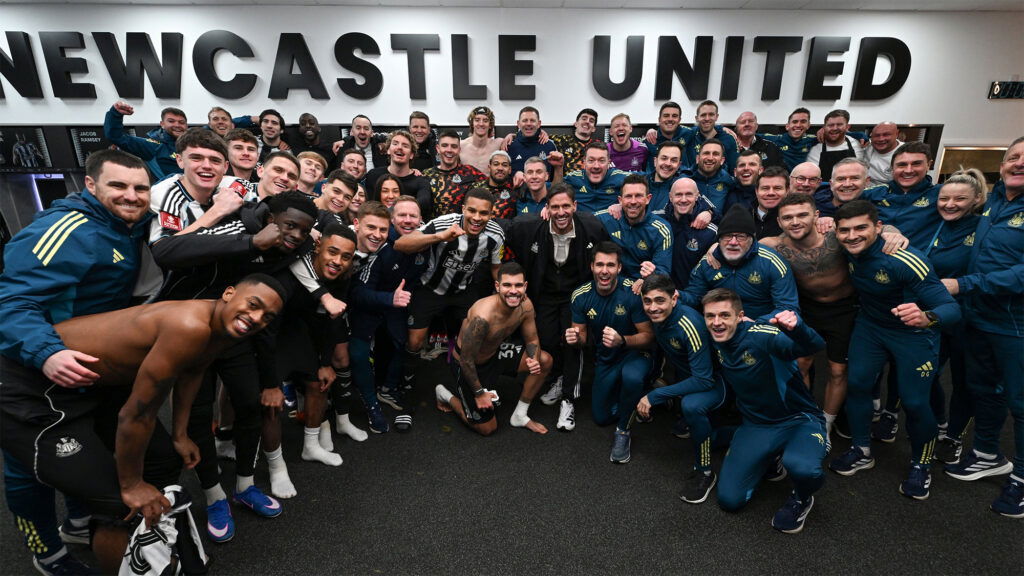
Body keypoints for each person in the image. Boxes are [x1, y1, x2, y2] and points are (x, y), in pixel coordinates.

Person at [0, 275, 285, 571]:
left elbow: (194, 371)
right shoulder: (189, 326)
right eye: (253, 305)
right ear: (228, 293)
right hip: (31, 388)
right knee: (119, 502)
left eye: (267, 317)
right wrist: (132, 484)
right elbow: (136, 415)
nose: (256, 318)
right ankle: (62, 553)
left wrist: (180, 434)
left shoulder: (220, 326)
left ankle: (88, 530)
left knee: (164, 460)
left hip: (87, 389)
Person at [0, 149, 153, 575]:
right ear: (90, 184)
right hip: (29, 371)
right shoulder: (66, 228)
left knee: (86, 455)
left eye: (140, 188)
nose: (131, 195)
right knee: (27, 468)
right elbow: (11, 301)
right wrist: (46, 352)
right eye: (118, 185)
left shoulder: (130, 225)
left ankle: (76, 524)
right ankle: (46, 553)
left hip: (85, 371)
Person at [829, 200, 960, 501]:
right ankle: (861, 450)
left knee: (914, 401)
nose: (852, 236)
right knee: (858, 385)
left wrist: (927, 317)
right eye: (844, 230)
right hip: (871, 327)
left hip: (913, 334)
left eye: (861, 228)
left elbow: (951, 308)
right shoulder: (846, 249)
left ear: (877, 227)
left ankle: (921, 464)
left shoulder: (904, 259)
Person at [942, 137, 1024, 518]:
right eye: (1014, 157)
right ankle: (988, 454)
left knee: (1021, 403)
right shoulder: (994, 203)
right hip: (978, 316)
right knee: (984, 389)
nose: (1019, 163)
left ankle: (1021, 479)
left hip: (1015, 322)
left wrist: (965, 285)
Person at [703, 288, 827, 534]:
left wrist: (798, 327)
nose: (717, 322)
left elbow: (815, 344)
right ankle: (770, 457)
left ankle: (802, 498)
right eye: (710, 316)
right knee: (730, 501)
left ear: (740, 317)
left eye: (725, 315)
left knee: (803, 468)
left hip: (797, 420)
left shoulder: (761, 336)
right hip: (757, 424)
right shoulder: (714, 338)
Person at [393, 188, 505, 432]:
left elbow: (497, 269)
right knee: (415, 342)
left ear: (491, 214)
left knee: (470, 341)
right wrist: (440, 237)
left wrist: (504, 295)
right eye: (472, 210)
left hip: (462, 292)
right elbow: (402, 244)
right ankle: (406, 394)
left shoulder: (496, 235)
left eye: (484, 213)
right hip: (429, 289)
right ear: (463, 209)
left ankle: (467, 389)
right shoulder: (444, 223)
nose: (477, 217)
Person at [505, 183, 610, 430]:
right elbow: (499, 227)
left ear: (575, 206)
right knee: (549, 340)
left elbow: (608, 253)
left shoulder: (592, 227)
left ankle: (568, 399)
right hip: (546, 293)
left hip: (577, 293)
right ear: (547, 208)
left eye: (565, 206)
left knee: (573, 340)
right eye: (555, 207)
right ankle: (560, 378)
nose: (561, 212)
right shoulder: (530, 226)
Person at [759, 193, 858, 441]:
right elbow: (736, 244)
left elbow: (874, 229)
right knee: (800, 364)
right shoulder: (773, 244)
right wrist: (713, 249)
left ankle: (827, 423)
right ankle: (804, 416)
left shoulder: (837, 237)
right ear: (779, 221)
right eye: (788, 217)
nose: (795, 222)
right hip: (806, 308)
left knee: (838, 370)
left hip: (844, 310)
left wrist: (891, 232)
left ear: (816, 215)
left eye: (802, 215)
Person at [271, 224, 359, 467]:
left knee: (319, 383)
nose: (338, 261)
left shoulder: (342, 278)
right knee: (270, 400)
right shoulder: (291, 270)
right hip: (273, 335)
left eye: (346, 257)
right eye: (333, 252)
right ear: (318, 247)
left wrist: (325, 362)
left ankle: (311, 447)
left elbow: (331, 321)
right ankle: (275, 465)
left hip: (304, 334)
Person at [435, 262, 552, 435]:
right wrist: (479, 393)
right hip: (469, 365)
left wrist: (533, 359)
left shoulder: (526, 305)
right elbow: (466, 360)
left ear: (525, 286)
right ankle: (445, 395)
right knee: (487, 429)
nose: (513, 291)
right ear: (497, 286)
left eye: (518, 285)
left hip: (495, 353)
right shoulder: (482, 317)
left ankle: (520, 415)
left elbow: (532, 339)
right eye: (507, 285)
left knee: (544, 360)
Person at [637, 275, 722, 503]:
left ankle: (705, 472)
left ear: (674, 299)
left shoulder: (688, 324)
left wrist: (655, 395)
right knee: (696, 427)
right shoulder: (660, 319)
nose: (653, 308)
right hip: (691, 377)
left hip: (717, 382)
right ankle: (729, 435)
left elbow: (704, 379)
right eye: (647, 301)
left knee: (691, 406)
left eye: (660, 300)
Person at [566, 242, 654, 463]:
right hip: (606, 358)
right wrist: (575, 339)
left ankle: (623, 430)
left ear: (619, 268)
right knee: (601, 417)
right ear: (592, 267)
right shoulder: (580, 295)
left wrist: (622, 340)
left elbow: (648, 337)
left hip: (635, 353)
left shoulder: (633, 292)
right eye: (600, 265)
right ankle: (634, 401)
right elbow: (581, 337)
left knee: (632, 378)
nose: (604, 271)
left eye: (610, 265)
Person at [921, 169, 986, 465]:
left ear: (977, 199)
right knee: (928, 373)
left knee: (964, 381)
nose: (949, 204)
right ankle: (940, 421)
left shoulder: (983, 228)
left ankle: (954, 436)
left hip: (969, 316)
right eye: (944, 198)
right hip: (934, 313)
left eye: (959, 199)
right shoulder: (934, 225)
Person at [350, 196, 425, 434]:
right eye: (402, 215)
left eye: (413, 216)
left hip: (394, 304)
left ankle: (388, 389)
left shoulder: (426, 238)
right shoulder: (374, 247)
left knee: (401, 340)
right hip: (362, 304)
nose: (407, 220)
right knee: (358, 352)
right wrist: (389, 298)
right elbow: (359, 292)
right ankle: (368, 403)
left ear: (421, 220)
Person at [681, 205, 798, 321]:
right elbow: (693, 297)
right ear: (719, 239)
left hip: (761, 328)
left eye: (741, 237)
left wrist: (757, 323)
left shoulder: (771, 262)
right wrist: (676, 295)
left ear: (752, 239)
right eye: (727, 236)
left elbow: (788, 308)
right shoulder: (708, 261)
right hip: (718, 325)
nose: (733, 242)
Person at [597, 173, 673, 293]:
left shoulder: (661, 229)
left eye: (638, 196)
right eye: (628, 196)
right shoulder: (606, 219)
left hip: (641, 288)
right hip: (610, 285)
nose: (633, 201)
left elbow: (663, 270)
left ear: (648, 199)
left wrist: (649, 278)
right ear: (620, 200)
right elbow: (580, 221)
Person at [103, 100, 186, 180]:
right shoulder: (153, 146)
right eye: (171, 121)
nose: (177, 125)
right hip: (168, 189)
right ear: (162, 124)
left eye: (181, 122)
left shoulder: (191, 144)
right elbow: (116, 136)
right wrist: (115, 114)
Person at [665, 178, 718, 291]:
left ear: (697, 196)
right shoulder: (659, 221)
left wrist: (718, 244)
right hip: (662, 293)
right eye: (678, 195)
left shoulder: (710, 232)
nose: (683, 199)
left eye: (689, 194)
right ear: (670, 197)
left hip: (694, 295)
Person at [365, 129, 431, 217]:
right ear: (388, 150)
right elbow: (369, 206)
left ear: (411, 154)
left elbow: (424, 202)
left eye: (405, 146)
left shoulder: (422, 181)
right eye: (395, 144)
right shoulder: (373, 175)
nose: (399, 147)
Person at [424, 129, 486, 219]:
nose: (449, 150)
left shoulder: (470, 172)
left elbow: (494, 185)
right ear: (438, 149)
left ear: (459, 150)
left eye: (454, 146)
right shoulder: (426, 174)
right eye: (445, 145)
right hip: (434, 227)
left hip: (463, 226)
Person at [562, 141, 630, 214]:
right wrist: (558, 167)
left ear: (609, 163)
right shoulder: (573, 178)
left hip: (610, 220)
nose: (596, 166)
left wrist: (622, 204)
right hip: (581, 220)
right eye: (591, 161)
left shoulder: (619, 177)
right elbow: (555, 190)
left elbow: (638, 182)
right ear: (584, 162)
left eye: (601, 161)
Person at [806, 109, 864, 181]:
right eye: (830, 125)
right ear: (824, 128)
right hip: (824, 187)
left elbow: (861, 172)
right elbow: (812, 177)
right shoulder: (815, 149)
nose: (834, 128)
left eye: (839, 124)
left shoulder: (856, 144)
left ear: (847, 127)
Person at [683, 100, 740, 174]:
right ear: (697, 118)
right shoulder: (690, 134)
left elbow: (734, 169)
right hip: (692, 179)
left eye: (711, 114)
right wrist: (721, 127)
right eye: (703, 115)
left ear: (716, 117)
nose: (707, 118)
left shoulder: (728, 139)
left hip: (721, 180)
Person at [507, 106, 557, 176]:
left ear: (539, 124)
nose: (528, 123)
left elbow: (556, 178)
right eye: (525, 120)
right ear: (518, 124)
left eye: (532, 120)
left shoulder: (549, 146)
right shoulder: (509, 145)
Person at [643, 102, 693, 171]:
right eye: (666, 116)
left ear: (679, 120)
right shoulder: (649, 140)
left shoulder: (689, 133)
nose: (670, 119)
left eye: (674, 116)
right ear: (659, 119)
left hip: (683, 177)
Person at [691, 139, 735, 212]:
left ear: (722, 161)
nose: (710, 158)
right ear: (698, 158)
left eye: (715, 154)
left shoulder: (728, 180)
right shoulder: (686, 178)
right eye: (706, 153)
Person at [460, 106, 504, 173]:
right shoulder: (461, 146)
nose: (481, 124)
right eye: (477, 120)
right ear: (472, 124)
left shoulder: (499, 144)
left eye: (485, 121)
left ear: (490, 125)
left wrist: (512, 135)